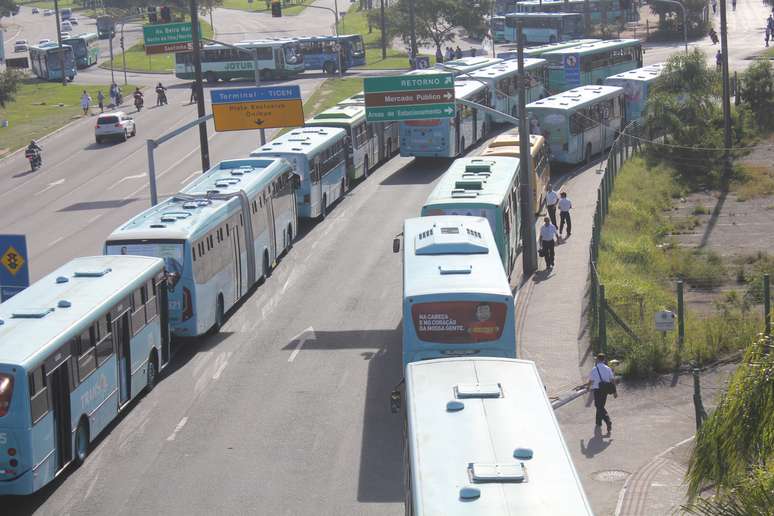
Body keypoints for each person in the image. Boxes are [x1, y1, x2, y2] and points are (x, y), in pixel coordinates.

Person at [585, 353, 617, 434]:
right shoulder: (608, 369)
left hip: (597, 390)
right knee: (600, 406)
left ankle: (608, 421)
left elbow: (591, 381)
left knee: (598, 406)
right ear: (604, 360)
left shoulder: (594, 369)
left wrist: (588, 387)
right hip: (605, 390)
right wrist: (615, 392)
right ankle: (598, 422)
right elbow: (612, 380)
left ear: (597, 360)